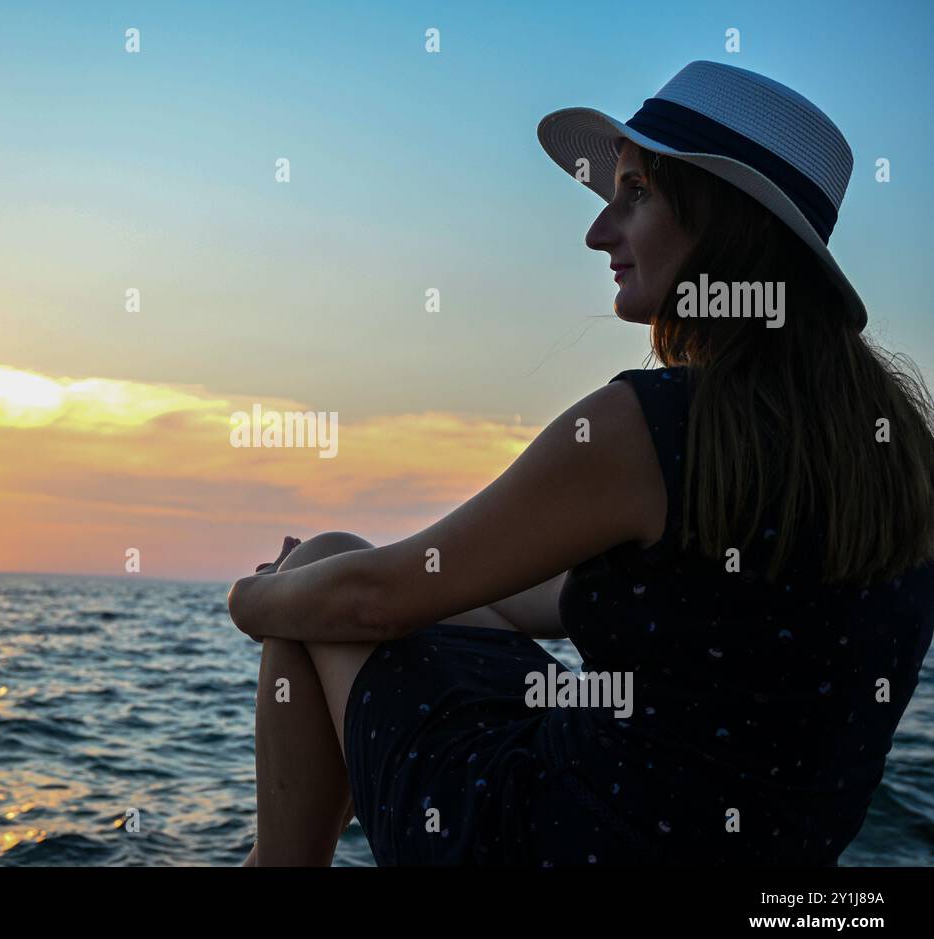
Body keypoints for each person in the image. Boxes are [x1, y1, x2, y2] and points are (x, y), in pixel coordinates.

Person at [227, 61, 934, 866]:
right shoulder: (898, 457)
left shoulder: (646, 426)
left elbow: (370, 606)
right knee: (338, 585)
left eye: (634, 194)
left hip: (551, 843)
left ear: (723, 221)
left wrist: (257, 596)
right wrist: (357, 591)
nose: (598, 233)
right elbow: (641, 604)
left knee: (320, 574)